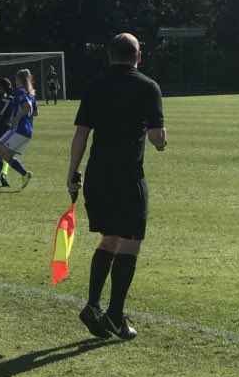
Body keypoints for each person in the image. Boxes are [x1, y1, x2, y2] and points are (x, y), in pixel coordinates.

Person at [68, 33, 166, 341]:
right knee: (131, 242)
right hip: (127, 176)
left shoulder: (96, 85)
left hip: (97, 175)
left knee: (108, 238)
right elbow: (155, 136)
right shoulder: (148, 86)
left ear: (110, 56)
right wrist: (162, 141)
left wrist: (72, 173)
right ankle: (114, 315)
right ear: (139, 56)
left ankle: (93, 305)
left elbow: (81, 134)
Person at [0, 70, 35, 190]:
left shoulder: (20, 92)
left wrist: (16, 117)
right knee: (6, 155)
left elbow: (27, 106)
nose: (15, 82)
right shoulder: (31, 94)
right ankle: (24, 174)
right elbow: (35, 112)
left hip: (19, 129)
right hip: (28, 131)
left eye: (16, 79)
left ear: (20, 80)